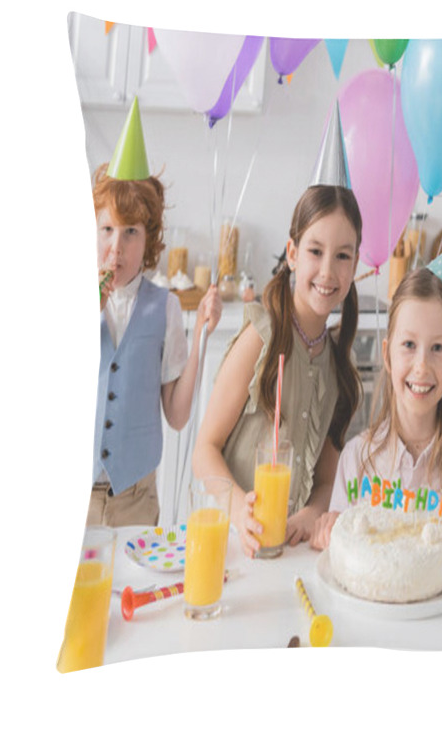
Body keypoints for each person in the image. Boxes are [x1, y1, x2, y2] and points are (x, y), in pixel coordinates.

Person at [193, 184, 363, 557]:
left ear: (355, 264)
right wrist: (240, 510)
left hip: (288, 552)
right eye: (315, 251)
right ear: (293, 254)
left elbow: (326, 480)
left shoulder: (338, 369)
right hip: (230, 544)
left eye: (342, 256)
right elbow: (204, 450)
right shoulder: (261, 337)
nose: (327, 271)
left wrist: (311, 514)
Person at [312, 224, 442, 569]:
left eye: (438, 348)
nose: (422, 366)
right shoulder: (356, 460)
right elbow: (340, 558)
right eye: (409, 345)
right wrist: (327, 531)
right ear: (387, 354)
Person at [91, 98, 222, 528]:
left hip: (136, 497)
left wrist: (201, 333)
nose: (117, 246)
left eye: (131, 232)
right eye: (107, 229)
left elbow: (178, 415)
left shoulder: (163, 307)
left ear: (150, 240)